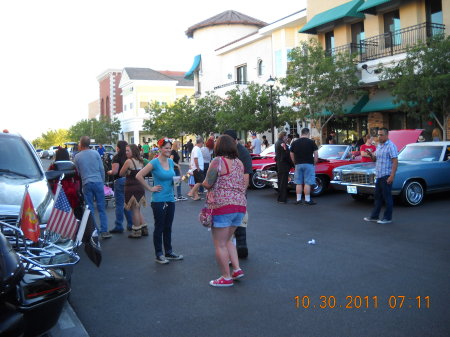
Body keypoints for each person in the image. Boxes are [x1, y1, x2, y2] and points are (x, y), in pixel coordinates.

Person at [202, 135, 246, 287]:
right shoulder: (239, 163)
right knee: (228, 240)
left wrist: (200, 182)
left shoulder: (218, 161)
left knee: (220, 244)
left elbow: (208, 183)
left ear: (218, 147)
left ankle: (226, 277)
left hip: (222, 206)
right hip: (240, 205)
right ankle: (237, 269)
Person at [136, 138, 183, 264]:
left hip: (170, 198)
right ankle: (159, 254)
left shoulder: (171, 162)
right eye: (166, 148)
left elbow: (175, 174)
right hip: (158, 200)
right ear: (160, 149)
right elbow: (139, 175)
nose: (168, 150)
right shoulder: (154, 162)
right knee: (159, 227)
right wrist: (150, 188)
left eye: (169, 148)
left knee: (168, 227)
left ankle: (169, 252)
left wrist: (178, 178)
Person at [74, 136, 111, 239]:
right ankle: (104, 231)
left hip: (86, 183)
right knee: (101, 208)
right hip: (98, 181)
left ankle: (94, 230)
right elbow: (101, 168)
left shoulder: (77, 157)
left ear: (81, 144)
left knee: (90, 208)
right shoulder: (95, 153)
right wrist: (102, 181)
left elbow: (77, 172)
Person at [223, 130, 251, 259]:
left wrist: (241, 194)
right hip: (227, 194)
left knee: (237, 221)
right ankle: (236, 248)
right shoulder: (225, 151)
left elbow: (246, 176)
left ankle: (240, 246)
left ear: (235, 140)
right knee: (232, 221)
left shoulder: (243, 152)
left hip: (237, 193)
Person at [364, 128, 398, 224]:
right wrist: (371, 154)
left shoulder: (391, 146)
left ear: (387, 135)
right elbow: (375, 159)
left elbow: (395, 162)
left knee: (387, 198)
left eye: (381, 135)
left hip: (386, 175)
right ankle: (374, 216)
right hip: (379, 175)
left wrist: (392, 176)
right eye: (378, 135)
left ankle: (387, 218)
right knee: (377, 197)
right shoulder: (379, 146)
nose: (379, 137)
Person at [120, 144, 147, 238]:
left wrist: (127, 172)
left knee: (134, 210)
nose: (126, 152)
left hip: (131, 188)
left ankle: (136, 231)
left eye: (128, 150)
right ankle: (144, 228)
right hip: (140, 187)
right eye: (126, 150)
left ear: (133, 151)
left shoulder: (129, 161)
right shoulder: (141, 161)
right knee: (138, 209)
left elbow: (121, 173)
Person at [107, 141, 133, 233]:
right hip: (129, 181)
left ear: (118, 148)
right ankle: (130, 224)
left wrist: (109, 172)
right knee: (128, 204)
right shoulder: (129, 157)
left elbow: (115, 171)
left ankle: (119, 225)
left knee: (119, 204)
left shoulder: (116, 157)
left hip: (120, 181)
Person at [290, 128, 318, 205]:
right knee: (307, 183)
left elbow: (291, 154)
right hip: (309, 164)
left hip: (298, 164)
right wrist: (314, 163)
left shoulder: (295, 143)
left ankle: (298, 200)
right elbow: (316, 154)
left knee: (298, 182)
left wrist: (294, 162)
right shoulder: (311, 142)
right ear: (308, 133)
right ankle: (307, 200)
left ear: (301, 133)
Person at [275, 131, 291, 204]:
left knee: (280, 182)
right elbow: (285, 155)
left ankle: (280, 198)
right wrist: (291, 163)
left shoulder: (277, 142)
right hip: (284, 165)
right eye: (286, 136)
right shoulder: (282, 144)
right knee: (283, 183)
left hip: (279, 165)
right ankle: (282, 199)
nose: (287, 138)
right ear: (284, 136)